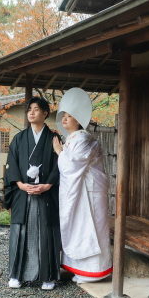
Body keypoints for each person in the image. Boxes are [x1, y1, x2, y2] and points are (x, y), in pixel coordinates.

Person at [52, 88, 112, 283]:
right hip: (81, 191)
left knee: (91, 227)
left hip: (90, 193)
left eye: (70, 116)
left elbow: (73, 165)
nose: (65, 119)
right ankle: (77, 267)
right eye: (64, 116)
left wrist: (60, 152)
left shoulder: (84, 139)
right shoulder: (73, 139)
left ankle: (94, 271)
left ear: (77, 120)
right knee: (80, 226)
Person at [3, 96, 61, 290]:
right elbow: (11, 165)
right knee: (21, 233)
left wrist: (49, 185)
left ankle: (48, 277)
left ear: (45, 114)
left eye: (36, 109)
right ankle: (16, 275)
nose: (31, 112)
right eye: (29, 109)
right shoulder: (19, 138)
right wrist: (19, 184)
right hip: (23, 193)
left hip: (46, 193)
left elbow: (59, 165)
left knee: (46, 232)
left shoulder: (54, 138)